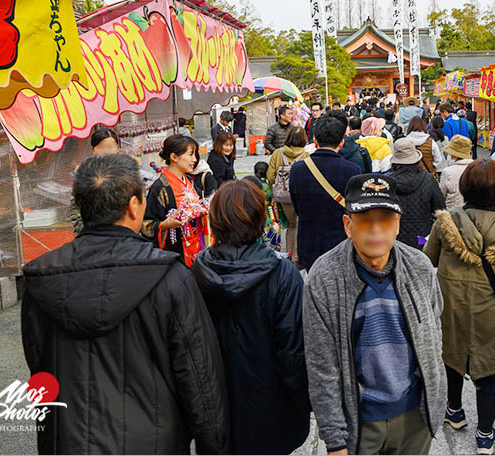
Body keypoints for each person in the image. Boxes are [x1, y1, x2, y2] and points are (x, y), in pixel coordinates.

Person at [22, 154, 228, 454]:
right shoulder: (171, 277)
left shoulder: (41, 278)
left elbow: (40, 368)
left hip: (68, 440)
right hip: (154, 441)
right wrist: (213, 445)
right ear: (134, 206)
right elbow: (199, 378)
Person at [303, 173, 446, 455]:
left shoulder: (419, 267)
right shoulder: (324, 276)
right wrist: (335, 440)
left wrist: (435, 400)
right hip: (361, 420)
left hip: (415, 415)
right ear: (348, 225)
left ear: (397, 225)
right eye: (366, 220)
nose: (376, 230)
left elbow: (434, 332)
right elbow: (322, 366)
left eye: (385, 220)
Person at [192, 179, 310, 455]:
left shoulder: (195, 272)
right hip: (272, 409)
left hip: (215, 411)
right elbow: (294, 351)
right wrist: (304, 401)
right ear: (260, 220)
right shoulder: (283, 274)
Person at [424, 159, 495, 455]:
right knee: (491, 370)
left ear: (465, 187)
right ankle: (485, 434)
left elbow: (428, 259)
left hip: (452, 306)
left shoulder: (445, 223)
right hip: (492, 312)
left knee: (453, 356)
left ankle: (454, 411)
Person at [289, 115, 361, 271]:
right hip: (341, 242)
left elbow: (297, 207)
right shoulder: (352, 170)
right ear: (341, 143)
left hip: (309, 241)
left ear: (315, 141)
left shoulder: (298, 169)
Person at [144, 135, 212, 266]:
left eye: (195, 154)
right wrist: (165, 225)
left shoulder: (190, 181)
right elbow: (146, 226)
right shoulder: (160, 187)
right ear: (174, 157)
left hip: (196, 246)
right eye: (191, 154)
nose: (195, 159)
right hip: (174, 254)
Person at [388, 138, 445, 248]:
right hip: (422, 236)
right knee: (421, 260)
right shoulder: (428, 179)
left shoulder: (387, 182)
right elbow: (440, 209)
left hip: (394, 236)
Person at [265, 126, 308, 258]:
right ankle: (296, 256)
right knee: (299, 224)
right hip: (301, 195)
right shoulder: (306, 155)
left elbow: (270, 176)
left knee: (291, 225)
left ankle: (289, 254)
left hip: (283, 196)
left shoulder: (278, 153)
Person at [71, 127, 121, 234]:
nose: (107, 151)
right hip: (93, 235)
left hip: (123, 235)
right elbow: (77, 209)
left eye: (110, 147)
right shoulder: (84, 176)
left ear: (118, 148)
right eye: (101, 147)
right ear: (93, 149)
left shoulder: (128, 173)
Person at [439, 135, 474, 209]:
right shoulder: (477, 169)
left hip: (453, 212)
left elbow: (442, 195)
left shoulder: (447, 172)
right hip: (472, 213)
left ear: (453, 155)